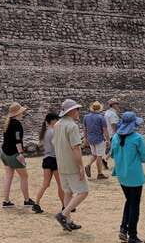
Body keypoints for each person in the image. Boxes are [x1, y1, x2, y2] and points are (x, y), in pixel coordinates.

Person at [111, 111, 145, 243]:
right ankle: (132, 236)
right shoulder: (138, 138)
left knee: (129, 201)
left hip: (121, 175)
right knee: (134, 205)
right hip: (134, 176)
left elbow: (113, 155)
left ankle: (123, 228)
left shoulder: (115, 137)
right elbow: (144, 158)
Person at [53, 99, 88, 231]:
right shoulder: (72, 126)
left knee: (68, 192)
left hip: (61, 163)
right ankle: (63, 215)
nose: (78, 112)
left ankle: (67, 221)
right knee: (83, 191)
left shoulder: (57, 124)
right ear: (72, 111)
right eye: (77, 109)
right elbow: (76, 148)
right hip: (71, 163)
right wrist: (80, 166)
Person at [0, 102, 36, 208]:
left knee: (8, 177)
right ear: (18, 113)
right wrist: (20, 154)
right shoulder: (16, 124)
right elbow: (18, 140)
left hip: (4, 153)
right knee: (24, 176)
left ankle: (6, 200)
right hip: (13, 154)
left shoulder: (7, 122)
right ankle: (26, 200)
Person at [32, 113, 63, 214]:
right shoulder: (54, 132)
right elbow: (57, 145)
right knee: (60, 184)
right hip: (54, 159)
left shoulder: (44, 132)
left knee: (45, 184)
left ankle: (36, 203)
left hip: (46, 159)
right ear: (53, 120)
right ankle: (64, 205)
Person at [83, 101, 110, 179]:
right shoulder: (101, 117)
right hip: (99, 139)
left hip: (90, 138)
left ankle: (88, 165)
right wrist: (108, 140)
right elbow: (105, 130)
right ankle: (100, 173)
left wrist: (85, 139)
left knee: (94, 155)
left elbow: (85, 129)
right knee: (99, 156)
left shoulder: (86, 117)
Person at [103, 98, 122, 167]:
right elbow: (114, 125)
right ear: (113, 105)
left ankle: (105, 159)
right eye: (116, 104)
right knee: (117, 149)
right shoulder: (112, 114)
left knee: (113, 148)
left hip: (108, 133)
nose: (118, 105)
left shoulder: (107, 113)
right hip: (113, 134)